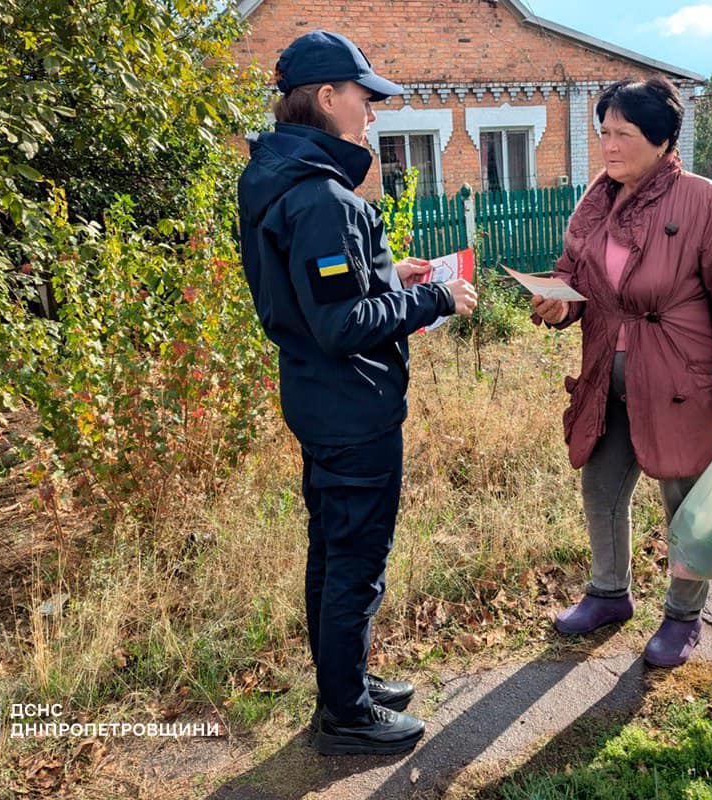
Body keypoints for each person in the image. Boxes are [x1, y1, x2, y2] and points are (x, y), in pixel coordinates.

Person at [237, 30, 478, 755]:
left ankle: (346, 684)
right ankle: (345, 714)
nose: (371, 112)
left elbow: (316, 297)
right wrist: (435, 301)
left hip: (319, 396)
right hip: (352, 406)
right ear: (327, 96)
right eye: (365, 98)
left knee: (333, 551)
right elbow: (341, 324)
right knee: (355, 562)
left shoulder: (278, 177)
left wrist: (387, 277)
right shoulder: (320, 196)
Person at [532, 76, 712, 668]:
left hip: (681, 386)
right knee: (602, 489)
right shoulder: (597, 200)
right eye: (604, 132)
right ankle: (609, 594)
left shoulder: (705, 201)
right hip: (606, 380)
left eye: (624, 134)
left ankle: (683, 617)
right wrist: (561, 303)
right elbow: (577, 276)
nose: (609, 146)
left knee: (685, 503)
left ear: (664, 140)